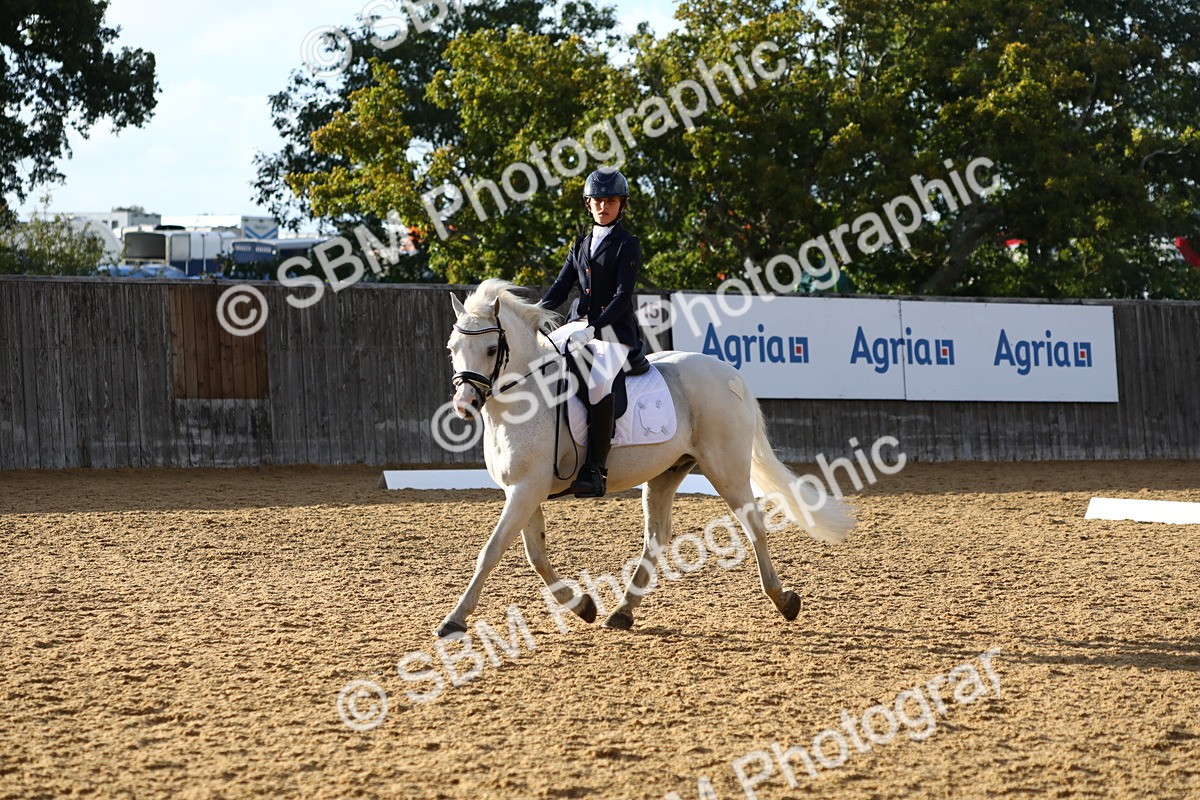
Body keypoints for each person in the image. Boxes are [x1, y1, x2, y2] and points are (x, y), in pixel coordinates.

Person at [539, 167, 649, 498]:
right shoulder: (581, 244)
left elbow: (621, 296)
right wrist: (533, 315)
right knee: (541, 359)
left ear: (621, 205)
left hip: (614, 333)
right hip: (578, 325)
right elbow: (561, 287)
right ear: (588, 204)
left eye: (611, 201)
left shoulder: (627, 244)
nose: (604, 206)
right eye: (598, 201)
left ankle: (595, 468)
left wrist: (593, 328)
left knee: (599, 384)